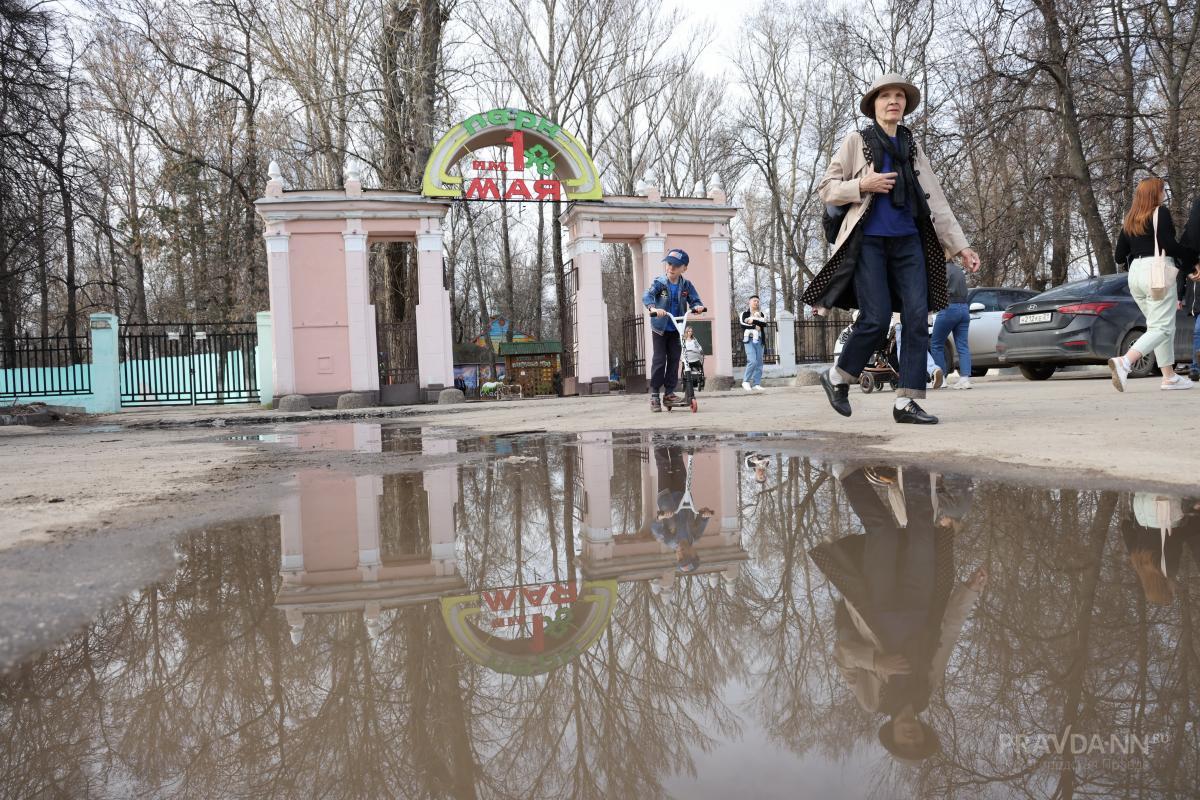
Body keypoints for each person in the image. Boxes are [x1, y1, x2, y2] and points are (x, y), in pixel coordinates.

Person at [804, 73, 980, 425]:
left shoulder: (912, 146)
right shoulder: (858, 141)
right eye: (886, 96)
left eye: (899, 96)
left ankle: (907, 402)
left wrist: (961, 246)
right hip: (868, 243)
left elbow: (937, 200)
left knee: (917, 319)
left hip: (910, 242)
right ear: (875, 105)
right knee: (876, 317)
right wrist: (862, 184)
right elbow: (826, 188)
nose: (893, 101)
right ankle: (838, 376)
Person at [809, 465, 986, 763]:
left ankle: (847, 473)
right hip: (922, 599)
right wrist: (970, 591)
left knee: (884, 533)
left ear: (891, 735)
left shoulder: (872, 701)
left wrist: (876, 661)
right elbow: (949, 632)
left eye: (905, 745)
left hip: (879, 602)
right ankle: (914, 467)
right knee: (922, 532)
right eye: (918, 743)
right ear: (923, 732)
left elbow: (843, 654)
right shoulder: (927, 689)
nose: (912, 740)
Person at [1109, 177, 1196, 391]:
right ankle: (1125, 362)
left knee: (1159, 327)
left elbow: (1120, 256)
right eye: (1162, 190)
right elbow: (1168, 244)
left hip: (1135, 276)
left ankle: (1169, 376)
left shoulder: (1130, 218)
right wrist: (1192, 260)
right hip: (1157, 273)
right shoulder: (1160, 213)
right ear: (1154, 194)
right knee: (1162, 326)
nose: (1164, 193)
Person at [642, 248, 706, 412]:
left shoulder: (686, 285)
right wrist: (652, 308)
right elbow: (647, 296)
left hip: (677, 329)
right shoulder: (660, 283)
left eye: (676, 265)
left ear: (684, 268)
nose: (671, 267)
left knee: (675, 359)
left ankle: (669, 393)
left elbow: (695, 299)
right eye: (669, 264)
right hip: (660, 328)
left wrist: (697, 306)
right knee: (659, 360)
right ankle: (655, 394)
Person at [651, 442, 712, 573]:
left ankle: (658, 438)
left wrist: (661, 517)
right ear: (694, 553)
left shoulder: (669, 541)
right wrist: (705, 514)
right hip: (684, 493)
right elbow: (702, 518)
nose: (681, 554)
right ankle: (674, 439)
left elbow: (655, 529)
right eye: (686, 556)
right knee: (677, 461)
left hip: (666, 496)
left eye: (679, 558)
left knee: (663, 464)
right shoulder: (695, 535)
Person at [930, 256, 974, 389]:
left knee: (936, 343)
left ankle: (941, 380)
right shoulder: (959, 270)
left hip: (949, 308)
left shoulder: (940, 269)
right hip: (964, 309)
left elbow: (936, 291)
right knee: (963, 345)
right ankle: (965, 379)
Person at [1174, 195, 1200, 381]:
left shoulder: (1190, 233)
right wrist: (1179, 294)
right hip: (1197, 289)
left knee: (1199, 329)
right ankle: (1196, 366)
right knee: (1199, 328)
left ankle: (1196, 366)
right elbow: (1181, 262)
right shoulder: (1190, 235)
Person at [740, 295, 768, 391]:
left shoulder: (762, 314)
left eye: (757, 301)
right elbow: (743, 324)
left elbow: (764, 324)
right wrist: (754, 327)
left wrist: (753, 321)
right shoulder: (744, 313)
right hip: (749, 340)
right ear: (749, 302)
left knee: (759, 363)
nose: (756, 303)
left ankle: (756, 383)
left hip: (760, 340)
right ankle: (745, 381)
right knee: (752, 361)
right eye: (754, 301)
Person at [682, 326, 706, 391]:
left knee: (699, 364)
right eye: (689, 331)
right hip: (687, 358)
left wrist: (701, 351)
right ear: (686, 332)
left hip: (695, 358)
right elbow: (682, 348)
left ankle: (699, 381)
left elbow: (699, 346)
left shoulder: (694, 340)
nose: (690, 333)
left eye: (691, 331)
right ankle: (686, 382)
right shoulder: (683, 340)